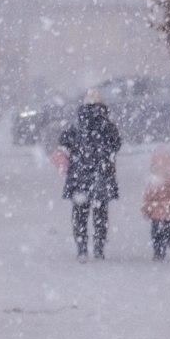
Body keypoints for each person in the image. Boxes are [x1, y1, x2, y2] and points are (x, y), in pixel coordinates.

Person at [56, 91, 122, 258]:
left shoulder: (77, 125)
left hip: (80, 177)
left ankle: (82, 248)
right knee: (100, 214)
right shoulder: (108, 126)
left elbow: (64, 141)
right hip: (101, 175)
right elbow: (116, 145)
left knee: (80, 213)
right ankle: (99, 248)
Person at [142, 150, 170, 261]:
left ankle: (158, 251)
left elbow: (148, 198)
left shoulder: (154, 182)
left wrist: (146, 210)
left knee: (156, 234)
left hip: (156, 214)